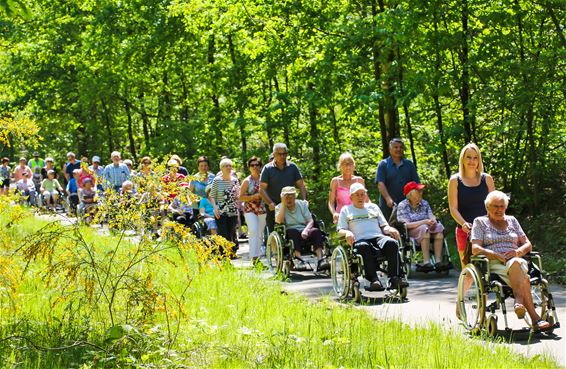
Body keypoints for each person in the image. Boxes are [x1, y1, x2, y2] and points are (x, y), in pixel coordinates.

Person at [471, 191, 551, 331]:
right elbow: (475, 248)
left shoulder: (512, 220)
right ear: (487, 207)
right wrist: (493, 254)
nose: (499, 209)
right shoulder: (480, 222)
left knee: (516, 263)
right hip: (495, 264)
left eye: (502, 206)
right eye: (495, 206)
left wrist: (518, 252)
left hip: (516, 259)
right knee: (523, 276)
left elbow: (528, 244)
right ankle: (535, 319)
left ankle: (518, 301)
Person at [337, 183, 407, 291]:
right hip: (360, 239)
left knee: (391, 243)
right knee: (363, 246)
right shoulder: (346, 210)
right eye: (357, 195)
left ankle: (394, 278)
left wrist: (390, 229)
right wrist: (347, 233)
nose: (361, 197)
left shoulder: (373, 207)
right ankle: (373, 280)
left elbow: (384, 225)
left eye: (362, 194)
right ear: (351, 197)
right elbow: (340, 229)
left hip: (378, 237)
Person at [448, 143, 495, 266]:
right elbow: (453, 208)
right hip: (465, 232)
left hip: (487, 230)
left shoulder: (487, 179)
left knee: (491, 269)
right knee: (467, 272)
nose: (472, 161)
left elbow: (495, 205)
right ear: (462, 159)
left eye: (475, 158)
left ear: (479, 160)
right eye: (468, 157)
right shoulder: (455, 180)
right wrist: (463, 223)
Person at [275, 186, 329, 270]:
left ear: (295, 196)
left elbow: (310, 220)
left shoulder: (302, 204)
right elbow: (279, 221)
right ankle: (298, 259)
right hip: (290, 231)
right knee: (293, 232)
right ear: (282, 197)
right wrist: (283, 204)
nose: (289, 199)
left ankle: (320, 260)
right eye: (286, 196)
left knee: (316, 231)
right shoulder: (279, 207)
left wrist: (306, 230)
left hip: (305, 228)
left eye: (291, 196)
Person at [397, 181, 446, 271]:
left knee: (439, 228)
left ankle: (438, 261)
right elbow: (406, 225)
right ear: (411, 194)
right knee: (424, 228)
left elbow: (431, 215)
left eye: (421, 191)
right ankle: (426, 261)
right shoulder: (402, 205)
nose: (421, 193)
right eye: (418, 191)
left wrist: (433, 221)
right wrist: (424, 222)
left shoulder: (424, 203)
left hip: (428, 227)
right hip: (412, 231)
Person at [260, 143, 307, 232]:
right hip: (274, 206)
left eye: (284, 154)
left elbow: (301, 185)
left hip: (291, 205)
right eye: (279, 154)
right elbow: (262, 189)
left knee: (295, 230)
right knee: (274, 231)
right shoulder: (267, 169)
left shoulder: (292, 167)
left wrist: (304, 200)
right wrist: (270, 203)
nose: (282, 156)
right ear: (273, 155)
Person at [375, 138, 420, 220]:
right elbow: (380, 184)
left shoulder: (409, 164)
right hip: (388, 205)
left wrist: (416, 198)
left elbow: (416, 184)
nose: (398, 149)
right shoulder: (383, 164)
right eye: (396, 147)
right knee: (389, 229)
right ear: (390, 149)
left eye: (401, 147)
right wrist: (388, 199)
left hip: (407, 204)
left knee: (408, 228)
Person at [240, 156, 267, 264]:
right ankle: (254, 257)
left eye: (257, 165)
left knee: (260, 234)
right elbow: (240, 197)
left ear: (261, 166)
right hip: (250, 210)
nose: (255, 167)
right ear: (249, 167)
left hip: (262, 209)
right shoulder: (247, 181)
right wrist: (252, 197)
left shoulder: (265, 179)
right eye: (252, 165)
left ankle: (258, 257)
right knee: (253, 231)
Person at [208, 158, 240, 248]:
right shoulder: (217, 180)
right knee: (223, 233)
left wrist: (238, 204)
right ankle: (223, 254)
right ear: (221, 168)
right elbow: (212, 196)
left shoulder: (235, 180)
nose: (228, 167)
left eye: (230, 166)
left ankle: (231, 252)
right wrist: (215, 208)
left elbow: (238, 195)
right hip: (221, 211)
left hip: (232, 210)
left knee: (231, 232)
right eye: (226, 166)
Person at [328, 153, 368, 224]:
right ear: (340, 166)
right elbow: (331, 202)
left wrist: (372, 210)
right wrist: (334, 213)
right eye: (345, 164)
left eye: (350, 164)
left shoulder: (359, 180)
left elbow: (366, 199)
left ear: (354, 165)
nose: (348, 167)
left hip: (359, 214)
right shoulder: (335, 181)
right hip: (342, 216)